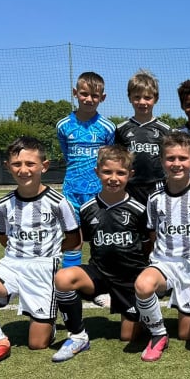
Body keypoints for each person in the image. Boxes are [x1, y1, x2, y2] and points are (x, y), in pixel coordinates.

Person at [0, 136, 81, 372]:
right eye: (17, 164)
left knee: (37, 344)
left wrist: (51, 256)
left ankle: (47, 322)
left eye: (30, 163)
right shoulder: (3, 204)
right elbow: (3, 238)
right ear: (8, 167)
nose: (23, 170)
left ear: (44, 166)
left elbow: (74, 239)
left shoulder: (58, 202)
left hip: (43, 269)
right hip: (11, 265)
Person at [51, 145, 151, 362]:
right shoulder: (87, 209)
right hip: (100, 273)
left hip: (129, 278)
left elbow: (147, 246)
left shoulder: (139, 209)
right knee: (64, 278)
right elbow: (84, 242)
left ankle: (138, 311)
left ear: (130, 174)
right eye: (107, 172)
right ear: (97, 172)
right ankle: (78, 336)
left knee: (128, 337)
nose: (113, 178)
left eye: (120, 173)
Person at [134, 131, 190, 362]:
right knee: (142, 284)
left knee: (187, 334)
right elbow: (153, 233)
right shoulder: (154, 198)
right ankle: (158, 334)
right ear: (162, 161)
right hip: (164, 262)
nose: (176, 163)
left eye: (182, 158)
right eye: (170, 158)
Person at [56, 72, 116, 268]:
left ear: (102, 97)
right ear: (75, 93)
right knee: (74, 240)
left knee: (102, 240)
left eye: (95, 95)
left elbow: (108, 160)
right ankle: (69, 281)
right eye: (84, 94)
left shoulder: (108, 127)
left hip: (98, 193)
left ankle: (102, 281)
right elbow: (67, 155)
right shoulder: (63, 126)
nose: (89, 99)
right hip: (71, 192)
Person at [115, 69, 171, 206]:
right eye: (137, 97)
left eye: (147, 97)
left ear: (156, 99)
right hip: (130, 187)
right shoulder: (121, 129)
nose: (142, 102)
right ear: (129, 98)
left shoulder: (165, 130)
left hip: (157, 186)